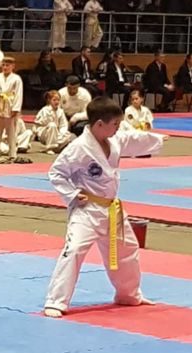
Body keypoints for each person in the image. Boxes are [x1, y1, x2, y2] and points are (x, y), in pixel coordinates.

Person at [43, 96, 165, 318]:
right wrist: (72, 194)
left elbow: (131, 139)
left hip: (112, 209)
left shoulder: (114, 140)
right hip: (87, 210)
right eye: (115, 124)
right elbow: (56, 172)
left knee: (127, 249)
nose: (118, 128)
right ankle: (56, 301)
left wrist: (155, 139)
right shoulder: (78, 148)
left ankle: (128, 294)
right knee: (74, 250)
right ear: (99, 124)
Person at [0, 56, 23, 163]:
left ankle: (12, 154)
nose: (5, 67)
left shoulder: (16, 78)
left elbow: (18, 94)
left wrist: (16, 108)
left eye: (7, 65)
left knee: (11, 131)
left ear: (13, 66)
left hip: (10, 105)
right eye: (3, 65)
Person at [35, 89, 75, 154]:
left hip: (56, 133)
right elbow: (40, 124)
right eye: (54, 100)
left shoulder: (60, 111)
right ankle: (50, 148)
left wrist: (62, 133)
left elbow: (63, 125)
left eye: (58, 100)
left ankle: (57, 148)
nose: (56, 102)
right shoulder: (45, 110)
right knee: (52, 125)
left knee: (71, 136)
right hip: (45, 133)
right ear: (49, 100)